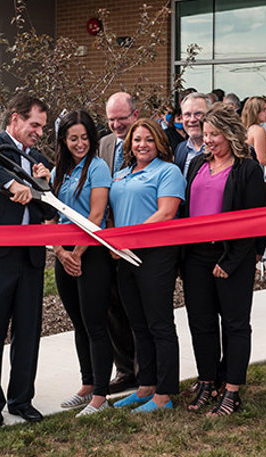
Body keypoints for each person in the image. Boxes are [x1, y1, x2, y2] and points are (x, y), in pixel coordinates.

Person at [0, 94, 55, 429]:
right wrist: (12, 182)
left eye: (43, 127)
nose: (39, 133)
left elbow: (46, 209)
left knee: (28, 331)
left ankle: (21, 400)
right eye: (34, 125)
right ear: (15, 119)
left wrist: (43, 183)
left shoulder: (40, 159)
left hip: (30, 257)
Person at [180, 104, 266, 416]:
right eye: (205, 135)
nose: (209, 140)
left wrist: (230, 261)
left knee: (235, 324)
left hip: (233, 255)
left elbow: (252, 221)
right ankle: (207, 381)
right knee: (200, 323)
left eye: (215, 134)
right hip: (196, 256)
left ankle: (231, 389)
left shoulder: (248, 169)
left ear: (231, 134)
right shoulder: (197, 165)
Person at [108, 118, 186, 413]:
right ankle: (145, 386)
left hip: (155, 256)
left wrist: (129, 238)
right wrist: (115, 240)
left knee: (160, 325)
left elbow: (166, 213)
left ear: (160, 144)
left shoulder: (168, 172)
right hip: (124, 256)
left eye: (149, 139)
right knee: (138, 324)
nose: (142, 145)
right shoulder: (121, 174)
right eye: (137, 139)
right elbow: (112, 211)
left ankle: (164, 395)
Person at [49, 110, 116, 417]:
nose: (79, 143)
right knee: (78, 324)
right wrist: (60, 252)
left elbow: (96, 216)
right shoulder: (57, 171)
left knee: (95, 324)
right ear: (64, 139)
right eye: (73, 138)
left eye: (84, 137)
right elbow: (51, 217)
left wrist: (76, 254)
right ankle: (87, 384)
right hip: (64, 257)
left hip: (92, 256)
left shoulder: (98, 168)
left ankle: (101, 395)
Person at [96, 92, 142, 393]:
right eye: (111, 119)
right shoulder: (104, 144)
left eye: (122, 119)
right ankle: (125, 370)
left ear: (135, 116)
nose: (116, 125)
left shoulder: (148, 140)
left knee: (139, 307)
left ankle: (146, 370)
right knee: (112, 306)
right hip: (106, 238)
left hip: (140, 238)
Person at [174, 92, 211, 171]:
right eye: (187, 114)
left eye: (198, 114)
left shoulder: (217, 149)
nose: (192, 119)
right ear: (181, 118)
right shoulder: (180, 149)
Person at [241, 96, 266, 166]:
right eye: (264, 110)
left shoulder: (244, 129)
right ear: (255, 111)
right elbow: (262, 159)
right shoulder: (258, 130)